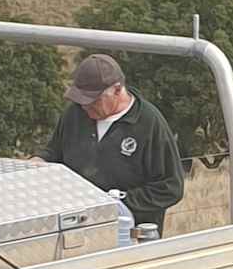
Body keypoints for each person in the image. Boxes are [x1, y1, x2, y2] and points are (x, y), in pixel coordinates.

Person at [43, 54, 184, 237]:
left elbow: (170, 187)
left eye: (93, 100)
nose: (85, 106)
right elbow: (54, 152)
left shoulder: (149, 124)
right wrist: (40, 161)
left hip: (129, 237)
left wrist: (119, 202)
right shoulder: (75, 114)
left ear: (118, 90)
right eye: (81, 99)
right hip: (74, 233)